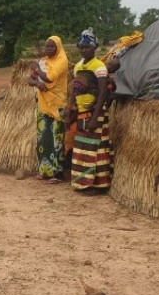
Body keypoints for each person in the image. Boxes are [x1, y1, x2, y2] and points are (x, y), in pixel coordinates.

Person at [67, 28, 112, 192]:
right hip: (81, 113)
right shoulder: (78, 66)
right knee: (83, 148)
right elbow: (74, 91)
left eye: (87, 47)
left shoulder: (99, 66)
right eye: (82, 47)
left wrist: (95, 117)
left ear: (95, 48)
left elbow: (103, 92)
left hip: (95, 113)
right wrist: (71, 108)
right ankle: (83, 182)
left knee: (97, 149)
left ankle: (99, 185)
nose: (84, 50)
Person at [28, 36, 69, 183]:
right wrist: (37, 84)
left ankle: (57, 174)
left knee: (56, 138)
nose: (49, 49)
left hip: (58, 105)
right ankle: (44, 171)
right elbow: (30, 80)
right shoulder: (44, 61)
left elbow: (50, 78)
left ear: (58, 47)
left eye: (52, 47)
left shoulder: (62, 61)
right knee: (43, 138)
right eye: (47, 47)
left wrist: (36, 69)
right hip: (43, 105)